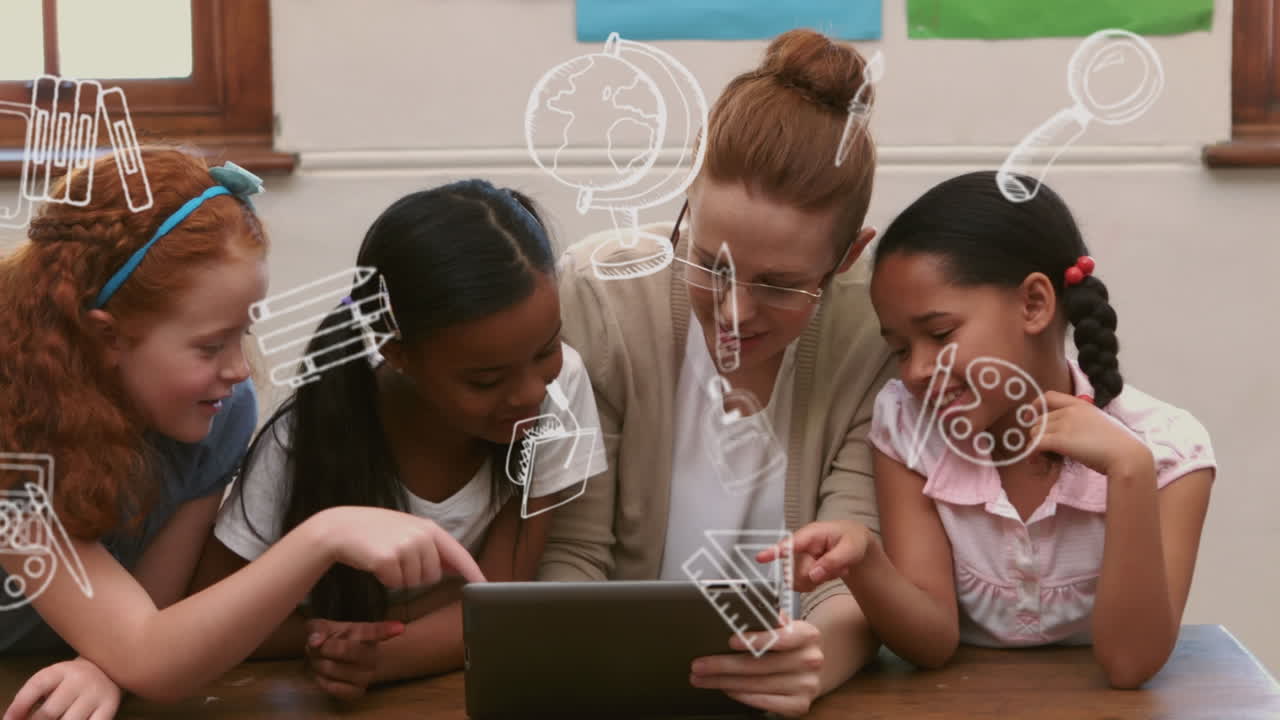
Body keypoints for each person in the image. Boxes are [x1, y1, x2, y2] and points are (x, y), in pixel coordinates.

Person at [0, 149, 484, 720]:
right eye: (211, 345)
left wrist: (105, 665)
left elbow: (155, 615)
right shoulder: (14, 424)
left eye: (244, 333)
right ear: (106, 337)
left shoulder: (219, 412)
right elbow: (148, 654)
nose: (238, 370)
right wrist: (324, 534)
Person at [539, 29, 895, 717]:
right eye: (708, 263)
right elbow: (574, 556)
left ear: (847, 257)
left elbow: (850, 571)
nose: (734, 312)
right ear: (687, 200)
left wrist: (811, 664)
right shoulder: (603, 295)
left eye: (780, 285)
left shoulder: (874, 325)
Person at [764, 171, 1216, 689]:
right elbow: (931, 643)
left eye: (940, 334)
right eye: (900, 349)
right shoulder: (908, 429)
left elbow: (1130, 664)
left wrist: (1129, 471)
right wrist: (866, 560)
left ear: (1034, 304)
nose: (916, 370)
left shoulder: (1169, 450)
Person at [193, 179, 607, 699]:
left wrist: (384, 656)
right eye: (485, 380)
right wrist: (340, 643)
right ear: (396, 351)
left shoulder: (560, 388)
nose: (530, 393)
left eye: (547, 349)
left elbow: (497, 598)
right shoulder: (307, 437)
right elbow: (207, 618)